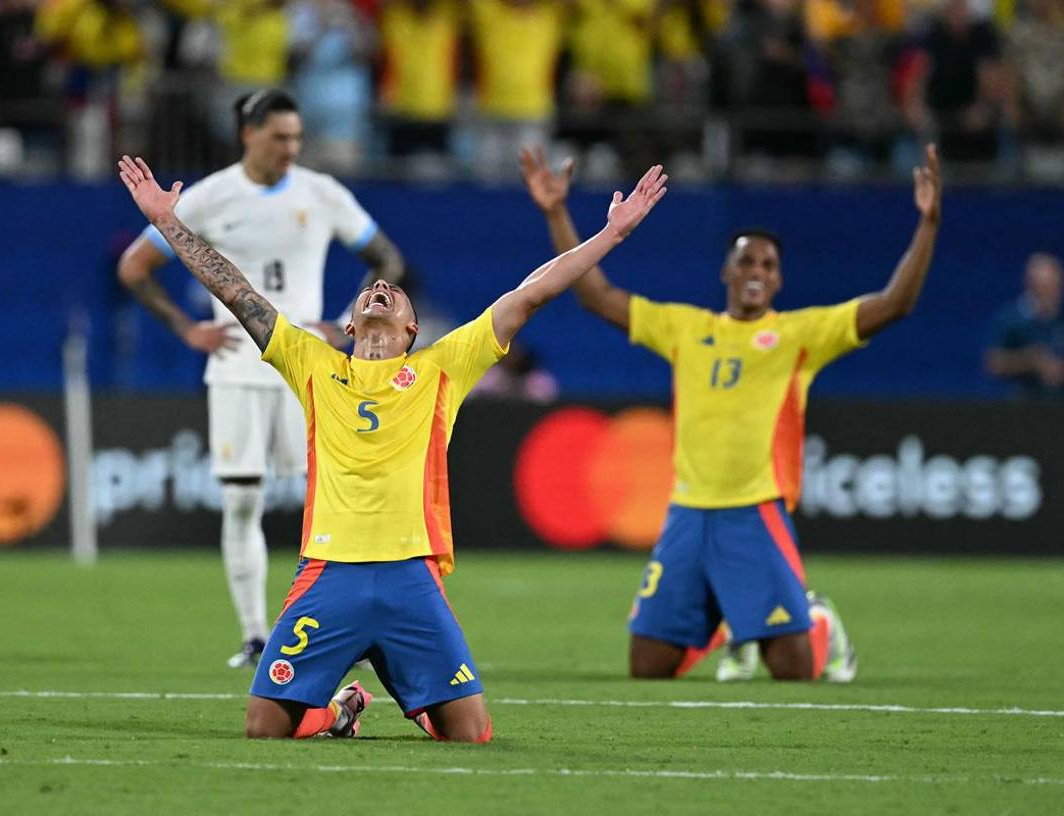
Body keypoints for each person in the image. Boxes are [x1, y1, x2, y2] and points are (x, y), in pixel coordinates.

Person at [118, 153, 668, 741]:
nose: (380, 288)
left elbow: (530, 294)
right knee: (263, 729)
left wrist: (612, 234)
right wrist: (167, 223)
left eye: (393, 291)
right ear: (350, 325)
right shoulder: (311, 362)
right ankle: (340, 710)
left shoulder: (443, 368)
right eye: (371, 290)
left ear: (412, 329)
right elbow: (234, 289)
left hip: (411, 577)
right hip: (329, 571)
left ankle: (410, 685)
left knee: (471, 736)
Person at [520, 143, 942, 682]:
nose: (756, 270)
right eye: (745, 259)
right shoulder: (686, 328)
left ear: (779, 282)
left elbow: (894, 303)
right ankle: (729, 621)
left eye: (768, 264)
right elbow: (596, 296)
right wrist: (556, 211)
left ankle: (817, 621)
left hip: (754, 511)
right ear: (725, 271)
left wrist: (927, 224)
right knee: (647, 667)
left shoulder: (800, 336)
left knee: (792, 671)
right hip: (687, 513)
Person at [116, 89, 405, 669]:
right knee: (242, 501)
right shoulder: (210, 196)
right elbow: (134, 267)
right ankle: (254, 636)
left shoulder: (321, 193)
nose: (290, 149)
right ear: (248, 134)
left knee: (327, 501)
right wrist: (185, 328)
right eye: (279, 137)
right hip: (237, 367)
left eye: (297, 138)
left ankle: (335, 628)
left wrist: (349, 319)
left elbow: (388, 260)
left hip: (310, 371)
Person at [984, 252, 1064, 398]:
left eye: (1056, 285)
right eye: (1045, 286)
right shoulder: (1010, 319)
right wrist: (1031, 361)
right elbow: (994, 363)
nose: (1052, 291)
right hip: (1023, 404)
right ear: (1030, 284)